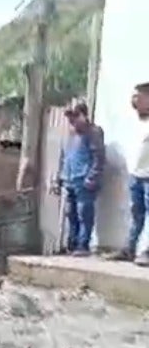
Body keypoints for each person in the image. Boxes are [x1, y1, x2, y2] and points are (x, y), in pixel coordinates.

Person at [52, 99, 105, 256]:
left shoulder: (93, 132)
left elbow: (99, 157)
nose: (72, 120)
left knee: (84, 213)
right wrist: (59, 179)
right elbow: (65, 157)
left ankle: (83, 245)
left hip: (84, 179)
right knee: (71, 213)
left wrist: (92, 177)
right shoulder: (71, 134)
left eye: (75, 116)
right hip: (70, 179)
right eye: (70, 117)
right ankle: (73, 244)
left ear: (84, 115)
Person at [127, 82, 149, 265]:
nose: (134, 102)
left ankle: (147, 252)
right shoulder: (140, 123)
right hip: (136, 175)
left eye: (139, 97)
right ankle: (130, 249)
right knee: (136, 215)